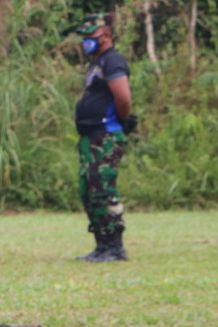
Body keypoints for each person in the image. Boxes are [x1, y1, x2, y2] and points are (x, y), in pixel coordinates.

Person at [72, 14, 137, 262]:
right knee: (89, 189)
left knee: (103, 189)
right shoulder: (96, 63)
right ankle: (101, 245)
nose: (86, 42)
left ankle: (115, 247)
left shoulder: (113, 61)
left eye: (91, 36)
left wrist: (120, 120)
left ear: (106, 36)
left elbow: (123, 98)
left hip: (106, 135)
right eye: (84, 37)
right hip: (91, 136)